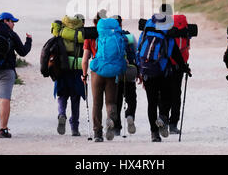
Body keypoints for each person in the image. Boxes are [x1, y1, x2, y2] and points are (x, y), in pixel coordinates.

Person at [136, 13, 190, 142]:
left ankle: (154, 134)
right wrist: (185, 68)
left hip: (147, 71)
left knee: (152, 102)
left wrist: (140, 70)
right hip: (162, 72)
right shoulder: (168, 34)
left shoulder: (146, 32)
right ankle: (163, 117)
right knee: (167, 98)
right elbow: (176, 54)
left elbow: (139, 51)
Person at [81, 10, 127, 142]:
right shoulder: (115, 34)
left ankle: (97, 133)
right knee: (111, 102)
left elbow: (85, 59)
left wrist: (84, 75)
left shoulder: (90, 36)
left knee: (97, 103)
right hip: (113, 72)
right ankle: (110, 120)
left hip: (97, 72)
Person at [51, 15, 85, 136]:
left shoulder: (60, 31)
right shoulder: (82, 33)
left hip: (62, 69)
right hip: (77, 69)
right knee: (75, 99)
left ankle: (61, 114)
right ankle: (74, 128)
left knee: (62, 95)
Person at [111, 15, 140, 136]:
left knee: (116, 100)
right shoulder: (130, 37)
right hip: (129, 72)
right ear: (121, 24)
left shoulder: (109, 38)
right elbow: (137, 54)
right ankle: (130, 115)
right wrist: (139, 72)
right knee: (131, 98)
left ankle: (117, 127)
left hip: (115, 74)